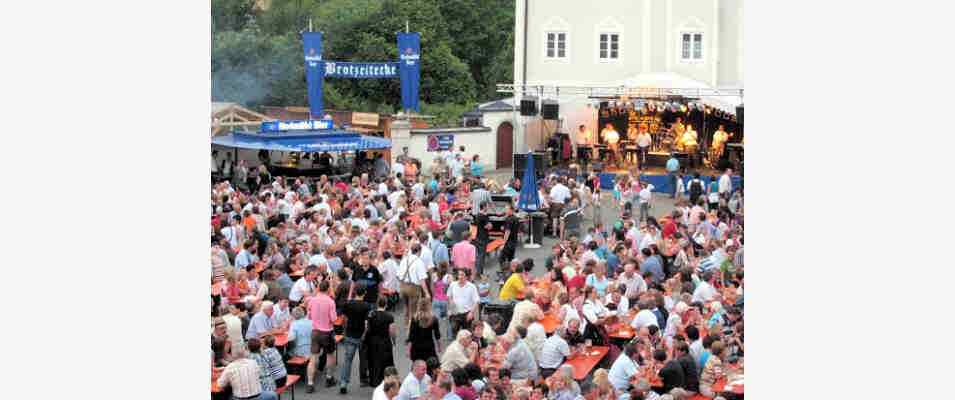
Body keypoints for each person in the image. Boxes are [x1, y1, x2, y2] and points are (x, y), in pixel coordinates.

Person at [339, 285, 373, 393]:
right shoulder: (367, 306)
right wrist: (364, 334)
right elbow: (367, 323)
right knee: (364, 359)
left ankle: (344, 383)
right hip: (362, 336)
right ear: (364, 293)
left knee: (348, 360)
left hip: (350, 335)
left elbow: (343, 318)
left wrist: (344, 330)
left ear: (354, 292)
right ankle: (363, 379)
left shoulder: (348, 304)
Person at [306, 280, 338, 392]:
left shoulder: (312, 300)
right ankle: (329, 378)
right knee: (330, 355)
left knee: (313, 358)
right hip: (327, 332)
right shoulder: (330, 302)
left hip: (315, 332)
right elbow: (334, 319)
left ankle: (310, 383)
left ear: (319, 288)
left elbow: (309, 316)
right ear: (328, 289)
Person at [367, 296, 398, 386]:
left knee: (373, 360)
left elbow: (367, 327)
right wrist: (394, 341)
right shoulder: (389, 316)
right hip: (384, 341)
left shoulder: (371, 314)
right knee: (386, 361)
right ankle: (386, 380)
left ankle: (374, 380)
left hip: (373, 340)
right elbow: (392, 331)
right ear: (386, 304)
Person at [398, 244, 431, 326]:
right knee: (413, 310)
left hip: (403, 286)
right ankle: (411, 328)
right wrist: (427, 293)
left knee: (406, 307)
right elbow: (422, 279)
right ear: (419, 251)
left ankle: (406, 324)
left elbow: (398, 275)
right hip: (413, 288)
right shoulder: (419, 262)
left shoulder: (404, 259)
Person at [447, 268, 480, 338]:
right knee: (454, 333)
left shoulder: (472, 287)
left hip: (467, 314)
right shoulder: (453, 285)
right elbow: (449, 297)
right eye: (459, 275)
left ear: (466, 277)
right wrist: (450, 309)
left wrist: (471, 312)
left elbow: (477, 301)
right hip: (455, 314)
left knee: (467, 335)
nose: (460, 277)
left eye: (462, 275)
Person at [407, 301, 442, 365]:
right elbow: (437, 335)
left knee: (417, 368)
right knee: (431, 366)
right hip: (429, 347)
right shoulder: (433, 319)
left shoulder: (415, 319)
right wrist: (439, 347)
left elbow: (411, 336)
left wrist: (408, 350)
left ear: (418, 307)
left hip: (416, 348)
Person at [499, 204, 521, 268]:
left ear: (511, 210)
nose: (505, 211)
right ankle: (511, 272)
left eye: (506, 209)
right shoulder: (515, 218)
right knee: (510, 258)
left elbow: (507, 232)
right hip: (514, 241)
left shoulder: (509, 219)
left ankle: (504, 272)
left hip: (509, 242)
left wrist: (503, 243)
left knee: (501, 259)